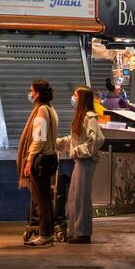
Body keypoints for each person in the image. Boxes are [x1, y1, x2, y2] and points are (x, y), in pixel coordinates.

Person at [57, 86, 103, 244]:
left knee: (81, 197)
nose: (73, 98)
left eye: (75, 95)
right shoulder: (82, 116)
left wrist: (77, 151)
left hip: (85, 161)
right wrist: (57, 144)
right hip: (80, 161)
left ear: (81, 98)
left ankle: (82, 233)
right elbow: (75, 139)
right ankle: (77, 231)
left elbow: (96, 140)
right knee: (75, 196)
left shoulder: (89, 117)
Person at [17, 79, 59, 247]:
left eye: (32, 91)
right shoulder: (50, 109)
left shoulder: (41, 111)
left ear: (38, 93)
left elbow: (39, 138)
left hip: (40, 159)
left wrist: (29, 159)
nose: (31, 94)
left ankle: (44, 235)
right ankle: (47, 233)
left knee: (40, 199)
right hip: (49, 158)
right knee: (46, 199)